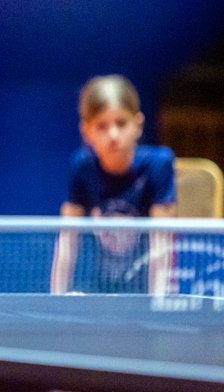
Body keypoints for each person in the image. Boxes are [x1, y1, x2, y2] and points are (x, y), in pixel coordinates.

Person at [50, 74, 176, 295]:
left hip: (147, 293)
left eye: (121, 123)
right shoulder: (82, 167)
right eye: (102, 126)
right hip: (99, 293)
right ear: (86, 131)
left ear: (138, 125)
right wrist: (57, 300)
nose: (113, 135)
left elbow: (161, 245)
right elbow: (67, 241)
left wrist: (156, 304)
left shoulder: (159, 165)